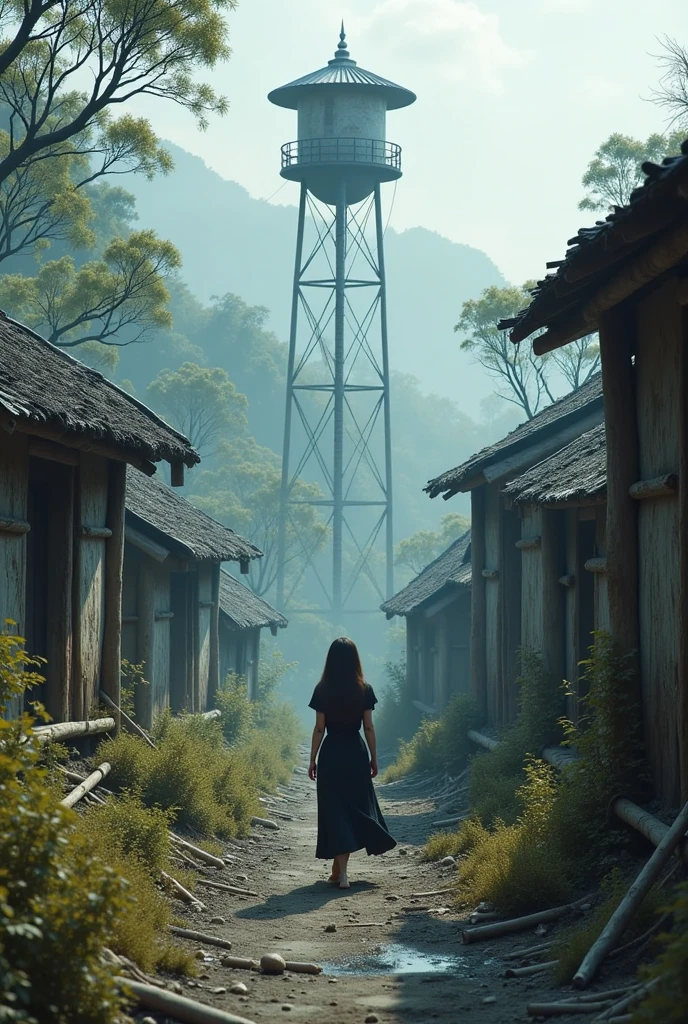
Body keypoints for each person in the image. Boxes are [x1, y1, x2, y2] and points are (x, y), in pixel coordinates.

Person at [307, 637, 396, 889]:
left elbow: (319, 728)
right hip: (355, 753)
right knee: (355, 807)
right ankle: (340, 872)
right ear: (355, 660)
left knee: (334, 811)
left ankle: (340, 873)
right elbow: (368, 726)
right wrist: (374, 756)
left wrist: (312, 759)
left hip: (332, 753)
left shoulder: (321, 689)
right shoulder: (364, 689)